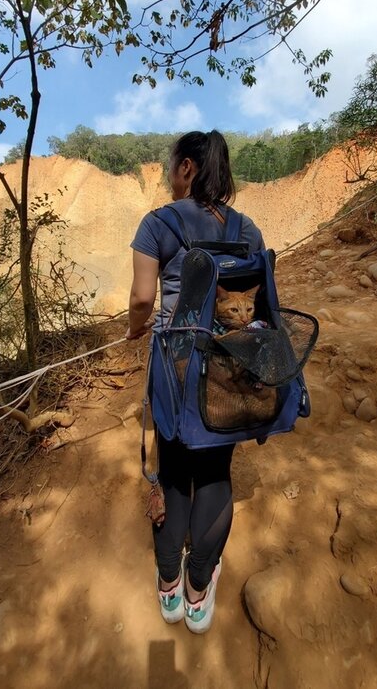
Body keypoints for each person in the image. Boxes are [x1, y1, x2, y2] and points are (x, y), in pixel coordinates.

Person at [126, 130, 264, 634]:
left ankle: (168, 585)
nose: (169, 174)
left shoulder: (158, 223)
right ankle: (198, 589)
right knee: (214, 472)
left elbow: (143, 300)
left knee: (173, 472)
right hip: (229, 371)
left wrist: (134, 329)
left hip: (175, 367)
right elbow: (258, 301)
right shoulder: (249, 230)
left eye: (172, 166)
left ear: (186, 168)